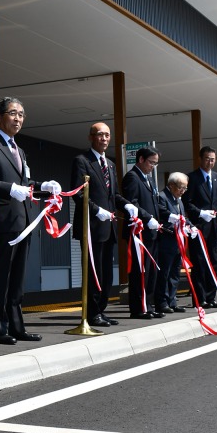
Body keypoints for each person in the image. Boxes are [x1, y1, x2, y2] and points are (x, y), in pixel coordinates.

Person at [0, 97, 60, 345]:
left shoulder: (19, 150)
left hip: (23, 221)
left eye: (22, 114)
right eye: (13, 113)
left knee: (17, 278)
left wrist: (43, 186)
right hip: (1, 222)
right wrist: (11, 188)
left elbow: (25, 184)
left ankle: (16, 326)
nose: (18, 119)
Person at [70, 122, 137, 328]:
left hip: (108, 229)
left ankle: (101, 310)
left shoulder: (110, 164)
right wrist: (96, 210)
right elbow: (78, 192)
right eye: (100, 135)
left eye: (107, 135)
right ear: (91, 137)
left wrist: (127, 205)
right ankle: (91, 314)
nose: (105, 139)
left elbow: (114, 194)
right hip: (91, 227)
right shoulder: (82, 161)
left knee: (107, 274)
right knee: (93, 272)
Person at [182, 146, 217, 308]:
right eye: (207, 159)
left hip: (213, 228)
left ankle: (211, 297)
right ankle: (200, 299)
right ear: (200, 159)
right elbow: (186, 203)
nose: (210, 162)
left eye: (212, 159)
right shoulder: (192, 178)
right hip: (198, 227)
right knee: (199, 263)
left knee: (213, 261)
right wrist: (200, 213)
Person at [121, 147, 167, 319]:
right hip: (139, 232)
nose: (153, 167)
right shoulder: (132, 177)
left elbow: (155, 204)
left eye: (156, 163)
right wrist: (147, 218)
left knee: (151, 272)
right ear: (141, 159)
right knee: (139, 271)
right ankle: (138, 308)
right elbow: (132, 203)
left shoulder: (149, 180)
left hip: (151, 232)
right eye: (151, 162)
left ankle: (148, 304)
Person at [157, 172, 189, 313]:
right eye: (180, 187)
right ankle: (162, 302)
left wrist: (191, 227)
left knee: (175, 273)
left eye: (185, 188)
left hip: (178, 242)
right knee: (164, 273)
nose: (183, 190)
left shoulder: (179, 200)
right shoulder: (162, 197)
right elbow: (162, 214)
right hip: (166, 241)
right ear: (171, 185)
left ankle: (172, 300)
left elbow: (183, 218)